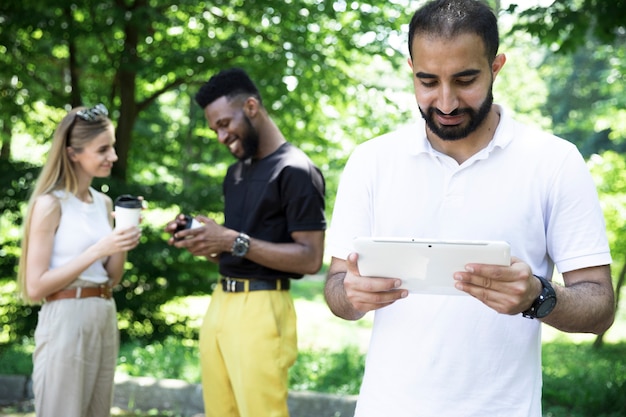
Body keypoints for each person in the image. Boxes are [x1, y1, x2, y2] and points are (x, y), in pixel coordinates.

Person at [323, 1, 615, 416]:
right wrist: (351, 294)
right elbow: (337, 288)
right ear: (411, 69)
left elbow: (600, 306)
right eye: (427, 81)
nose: (445, 101)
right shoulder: (371, 161)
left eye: (465, 80)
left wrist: (539, 296)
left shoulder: (554, 162)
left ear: (496, 66)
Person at [165, 67, 326, 417]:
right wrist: (205, 241)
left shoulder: (296, 170)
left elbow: (311, 258)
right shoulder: (234, 173)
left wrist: (230, 239)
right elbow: (238, 248)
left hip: (264, 307)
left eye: (224, 123)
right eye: (214, 129)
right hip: (220, 303)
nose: (221, 136)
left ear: (251, 106)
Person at [17, 104, 142, 417]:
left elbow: (111, 278)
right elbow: (35, 288)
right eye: (103, 149)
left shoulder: (104, 202)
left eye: (112, 146)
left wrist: (122, 237)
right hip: (66, 316)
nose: (112, 156)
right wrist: (99, 248)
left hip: (103, 312)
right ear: (73, 153)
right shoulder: (49, 204)